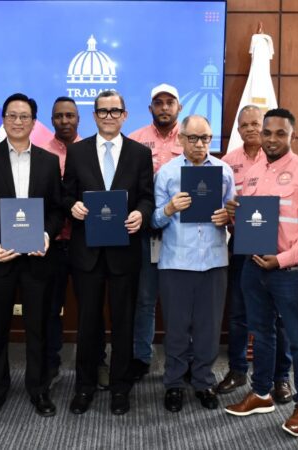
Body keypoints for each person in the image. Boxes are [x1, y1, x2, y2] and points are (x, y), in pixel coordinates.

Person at [224, 108, 298, 438]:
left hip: (289, 271)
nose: (271, 139)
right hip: (253, 267)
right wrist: (233, 213)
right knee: (261, 333)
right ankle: (261, 393)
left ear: (292, 135)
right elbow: (251, 220)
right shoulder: (254, 171)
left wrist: (282, 260)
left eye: (280, 133)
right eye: (267, 132)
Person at [0, 93, 64, 418]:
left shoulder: (48, 161)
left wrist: (45, 235)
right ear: (3, 120)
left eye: (25, 116)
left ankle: (39, 389)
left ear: (34, 122)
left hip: (37, 259)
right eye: (12, 115)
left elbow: (57, 210)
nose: (18, 121)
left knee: (38, 328)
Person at [63, 90, 154, 416]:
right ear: (94, 115)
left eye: (115, 111)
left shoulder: (140, 153)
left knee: (124, 322)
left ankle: (120, 387)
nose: (109, 116)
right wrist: (72, 206)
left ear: (125, 115)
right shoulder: (77, 152)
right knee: (87, 323)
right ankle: (84, 386)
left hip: (124, 252)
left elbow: (147, 197)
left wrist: (141, 214)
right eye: (102, 111)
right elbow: (65, 194)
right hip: (86, 252)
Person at [152, 115, 234, 413]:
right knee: (176, 328)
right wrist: (169, 208)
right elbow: (153, 220)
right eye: (194, 138)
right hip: (176, 261)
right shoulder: (166, 173)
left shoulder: (224, 171)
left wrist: (228, 216)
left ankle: (203, 381)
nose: (200, 144)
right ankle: (174, 383)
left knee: (208, 329)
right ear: (181, 139)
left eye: (206, 138)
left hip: (213, 261)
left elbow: (233, 212)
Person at [219, 105, 294, 403]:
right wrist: (229, 210)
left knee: (279, 317)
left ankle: (281, 377)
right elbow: (224, 204)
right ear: (238, 130)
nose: (251, 129)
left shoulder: (279, 158)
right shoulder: (227, 163)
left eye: (256, 124)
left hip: (277, 248)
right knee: (238, 312)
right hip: (241, 244)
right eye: (245, 125)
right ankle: (238, 370)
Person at [42, 97, 109, 389]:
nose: (65, 121)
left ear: (79, 119)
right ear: (51, 120)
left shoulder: (93, 150)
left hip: (87, 241)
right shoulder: (41, 153)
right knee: (50, 308)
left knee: (92, 309)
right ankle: (51, 364)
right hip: (52, 243)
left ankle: (98, 362)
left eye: (70, 115)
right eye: (59, 116)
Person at [127, 83, 183, 380]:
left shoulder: (190, 138)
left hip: (182, 232)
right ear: (150, 108)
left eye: (169, 103)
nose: (164, 107)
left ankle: (183, 359)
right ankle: (141, 357)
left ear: (178, 108)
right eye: (158, 103)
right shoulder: (135, 140)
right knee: (145, 299)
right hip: (147, 230)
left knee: (181, 302)